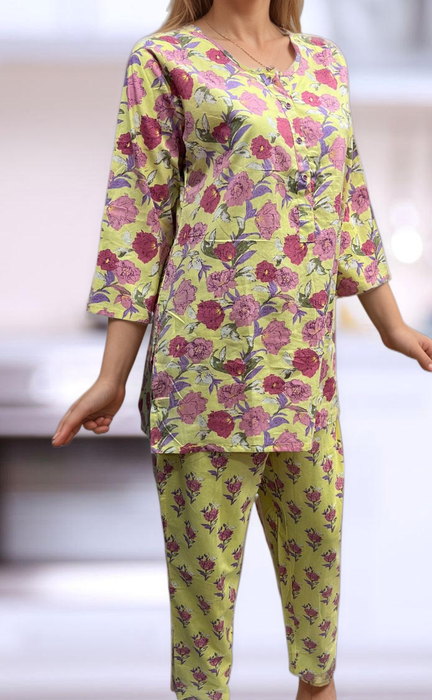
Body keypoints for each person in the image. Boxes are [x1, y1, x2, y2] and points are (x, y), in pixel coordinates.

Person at [52, 1, 432, 698]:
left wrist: (391, 324)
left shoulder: (324, 64)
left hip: (305, 381)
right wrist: (113, 373)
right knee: (204, 652)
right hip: (202, 381)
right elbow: (138, 219)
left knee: (319, 651)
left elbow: (348, 201)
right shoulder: (164, 62)